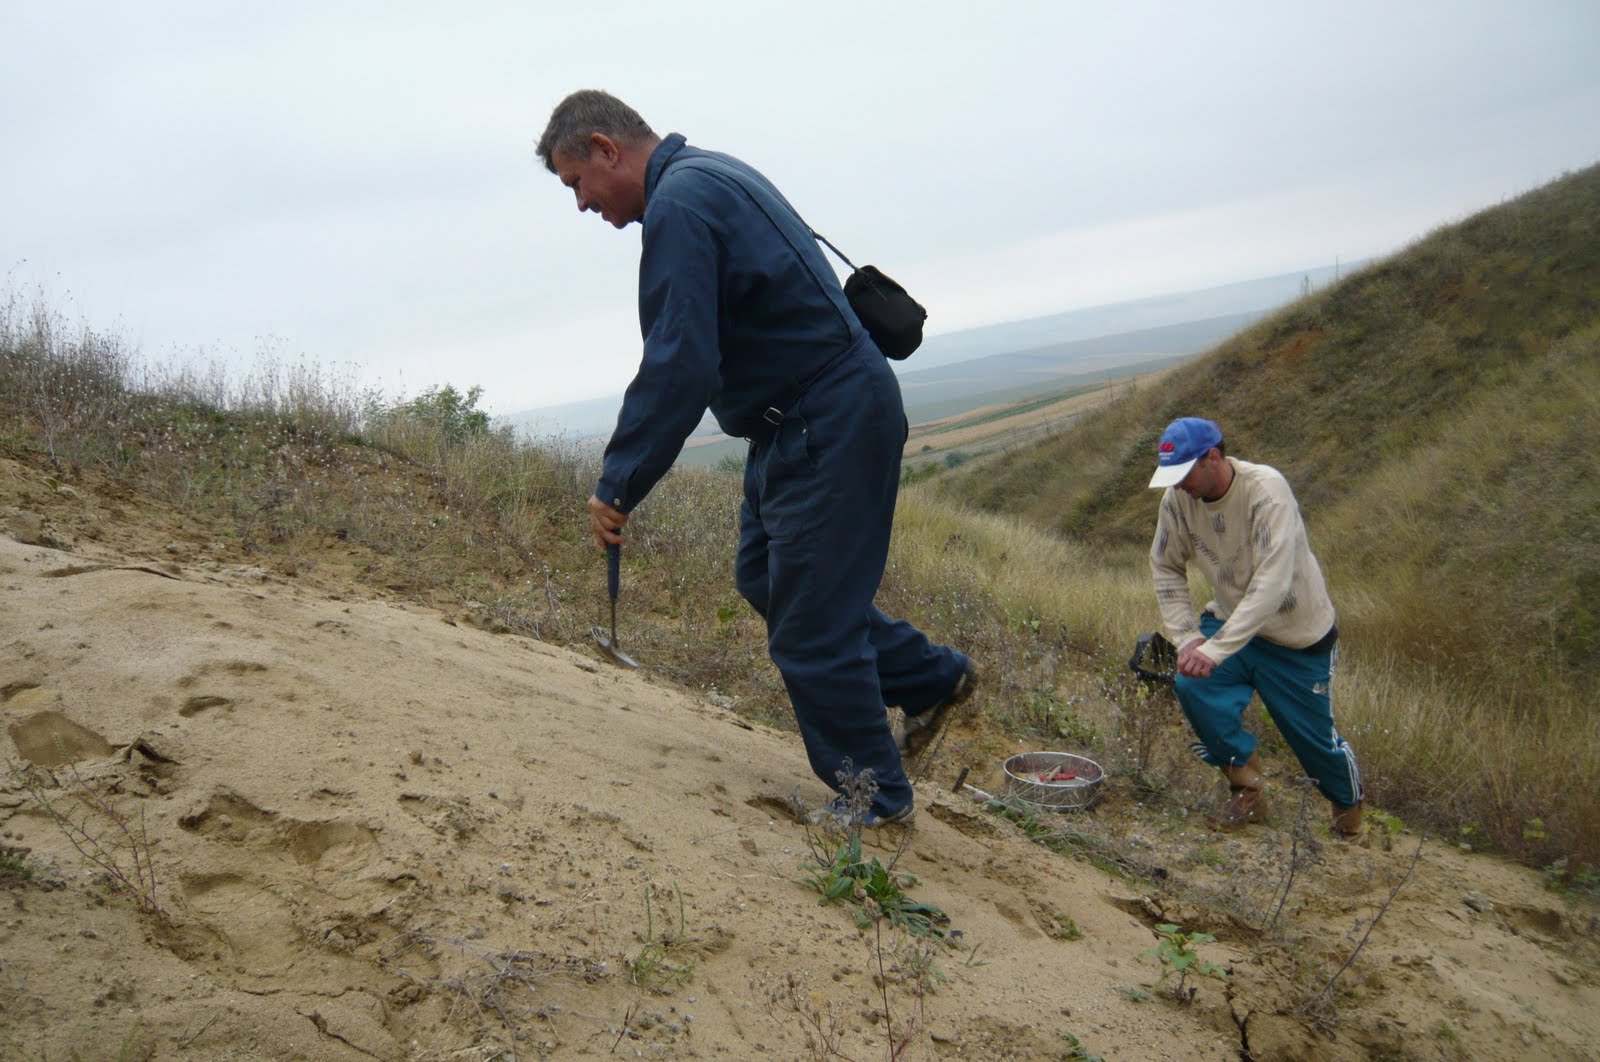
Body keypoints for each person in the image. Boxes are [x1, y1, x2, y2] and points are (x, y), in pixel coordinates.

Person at [535, 90, 975, 827]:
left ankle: (874, 801)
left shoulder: (681, 204)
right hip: (800, 418)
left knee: (811, 628)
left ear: (608, 149)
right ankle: (929, 680)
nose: (581, 204)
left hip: (824, 415)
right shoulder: (714, 172)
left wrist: (619, 483)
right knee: (765, 575)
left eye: (576, 182)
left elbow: (680, 364)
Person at [1146, 417, 1365, 842]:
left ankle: (1350, 820)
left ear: (1213, 457)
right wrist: (1189, 638)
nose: (1179, 486)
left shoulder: (1266, 491)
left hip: (1296, 638)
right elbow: (1165, 565)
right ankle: (1248, 789)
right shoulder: (1177, 500)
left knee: (1315, 744)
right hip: (1231, 621)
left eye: (1185, 473)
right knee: (1194, 686)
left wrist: (1213, 650)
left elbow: (1271, 584)